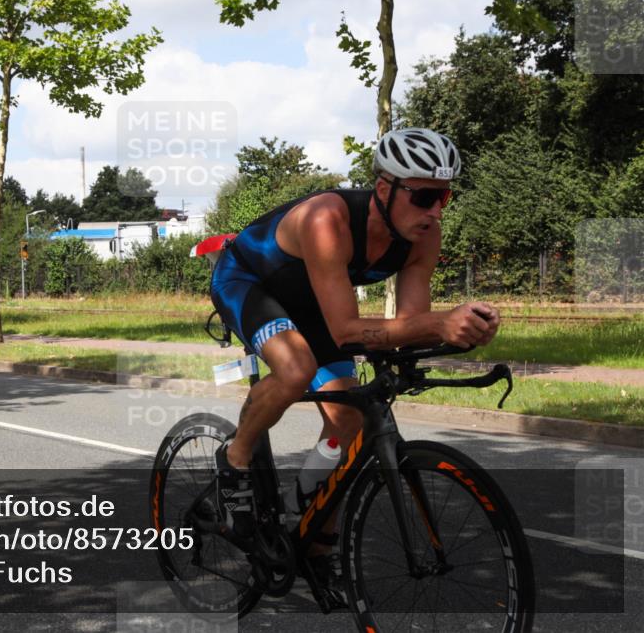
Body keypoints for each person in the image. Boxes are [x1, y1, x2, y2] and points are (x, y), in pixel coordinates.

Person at [209, 128, 500, 588]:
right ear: (384, 189)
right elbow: (348, 331)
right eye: (424, 197)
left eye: (444, 197)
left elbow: (409, 325)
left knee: (349, 420)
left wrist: (463, 333)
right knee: (296, 369)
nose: (435, 211)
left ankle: (313, 536)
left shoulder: (423, 236)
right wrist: (438, 323)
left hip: (316, 302)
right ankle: (235, 457)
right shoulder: (327, 219)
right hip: (249, 283)